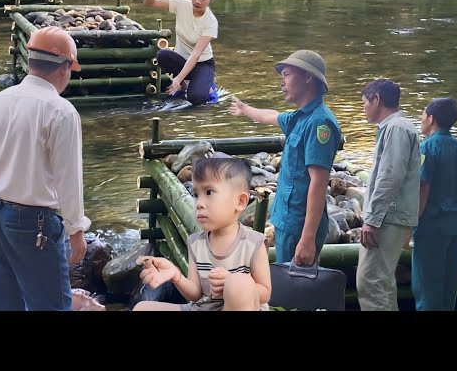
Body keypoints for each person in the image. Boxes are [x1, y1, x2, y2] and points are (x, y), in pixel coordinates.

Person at [0, 26, 91, 311]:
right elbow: (68, 178)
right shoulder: (60, 110)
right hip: (31, 223)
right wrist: (76, 230)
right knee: (51, 304)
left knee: (5, 302)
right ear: (65, 68)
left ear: (31, 62)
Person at [229, 50, 341, 266]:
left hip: (299, 226)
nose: (282, 83)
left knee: (297, 294)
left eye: (287, 75)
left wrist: (307, 239)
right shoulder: (299, 117)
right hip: (288, 221)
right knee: (289, 289)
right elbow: (271, 115)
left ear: (308, 77)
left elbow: (318, 183)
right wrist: (245, 110)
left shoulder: (320, 123)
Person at [133, 158, 271, 311]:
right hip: (202, 308)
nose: (199, 203)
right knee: (142, 308)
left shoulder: (253, 243)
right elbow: (196, 294)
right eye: (196, 194)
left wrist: (231, 283)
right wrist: (176, 276)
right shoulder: (196, 242)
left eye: (209, 192)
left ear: (240, 201)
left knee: (239, 283)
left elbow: (265, 293)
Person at [356, 78, 420, 311]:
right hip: (393, 216)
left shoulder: (396, 128)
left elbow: (390, 176)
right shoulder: (399, 127)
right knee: (382, 283)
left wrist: (372, 220)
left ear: (377, 99)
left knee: (371, 283)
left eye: (365, 102)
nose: (363, 108)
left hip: (387, 218)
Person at [409, 98, 457, 311]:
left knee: (427, 290)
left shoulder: (426, 148)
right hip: (456, 225)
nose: (421, 120)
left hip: (432, 227)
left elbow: (422, 188)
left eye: (423, 115)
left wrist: (411, 224)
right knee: (447, 289)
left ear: (431, 118)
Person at [143, 0, 218, 106]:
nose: (197, 1)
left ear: (210, 0)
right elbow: (149, 2)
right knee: (163, 55)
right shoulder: (181, 5)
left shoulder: (211, 22)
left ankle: (208, 86)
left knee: (196, 99)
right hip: (182, 59)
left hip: (203, 64)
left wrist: (177, 79)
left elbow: (195, 55)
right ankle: (184, 86)